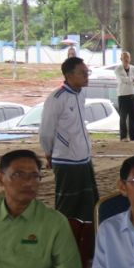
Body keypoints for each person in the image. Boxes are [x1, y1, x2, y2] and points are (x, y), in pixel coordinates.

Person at [40, 56, 99, 222]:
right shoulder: (56, 98)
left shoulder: (81, 94)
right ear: (69, 75)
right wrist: (48, 152)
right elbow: (46, 130)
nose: (86, 76)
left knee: (88, 202)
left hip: (84, 157)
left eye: (87, 72)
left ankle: (87, 233)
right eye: (82, 73)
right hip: (66, 159)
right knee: (67, 205)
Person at [115, 50, 134, 142]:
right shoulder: (118, 69)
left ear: (130, 59)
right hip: (122, 95)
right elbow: (122, 80)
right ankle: (123, 136)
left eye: (127, 57)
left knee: (132, 116)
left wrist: (129, 79)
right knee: (123, 116)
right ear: (121, 59)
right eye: (124, 58)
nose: (126, 59)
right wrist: (131, 79)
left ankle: (133, 136)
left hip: (132, 94)